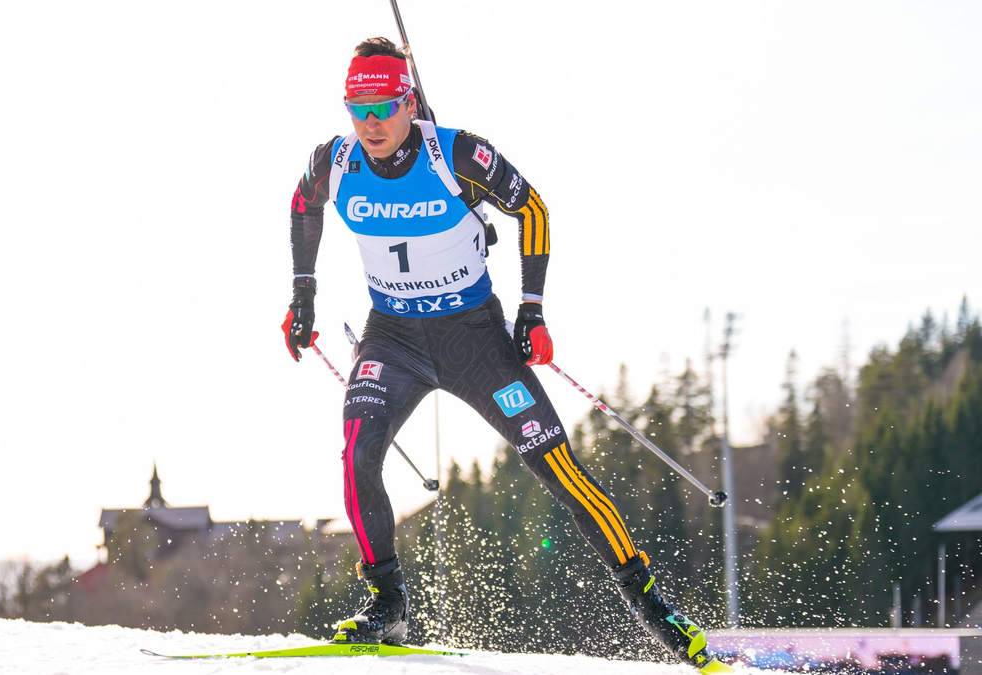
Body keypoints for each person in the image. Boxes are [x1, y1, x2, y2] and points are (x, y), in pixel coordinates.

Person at [283, 37, 729, 673]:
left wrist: (533, 308)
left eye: (383, 104)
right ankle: (388, 603)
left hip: (475, 341)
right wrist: (304, 294)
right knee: (358, 455)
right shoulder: (337, 159)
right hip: (393, 340)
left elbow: (533, 208)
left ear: (408, 101)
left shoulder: (457, 153)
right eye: (358, 107)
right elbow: (302, 205)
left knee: (559, 469)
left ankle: (656, 612)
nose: (371, 121)